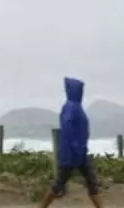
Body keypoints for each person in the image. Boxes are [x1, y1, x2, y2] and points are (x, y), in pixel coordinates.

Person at [40, 77, 103, 208]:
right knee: (59, 184)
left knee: (91, 182)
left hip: (79, 152)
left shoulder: (74, 106)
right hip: (72, 153)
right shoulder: (71, 107)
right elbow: (68, 127)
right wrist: (76, 146)